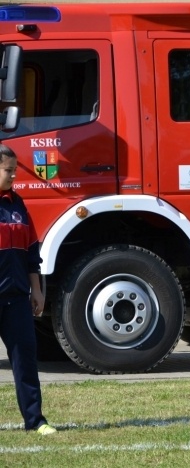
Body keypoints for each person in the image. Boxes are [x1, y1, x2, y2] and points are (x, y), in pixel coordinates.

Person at [0, 144, 57, 435]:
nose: (14, 176)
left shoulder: (17, 204)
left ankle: (35, 421)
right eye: (9, 170)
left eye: (14, 170)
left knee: (25, 359)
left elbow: (31, 250)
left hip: (16, 298)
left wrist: (36, 290)